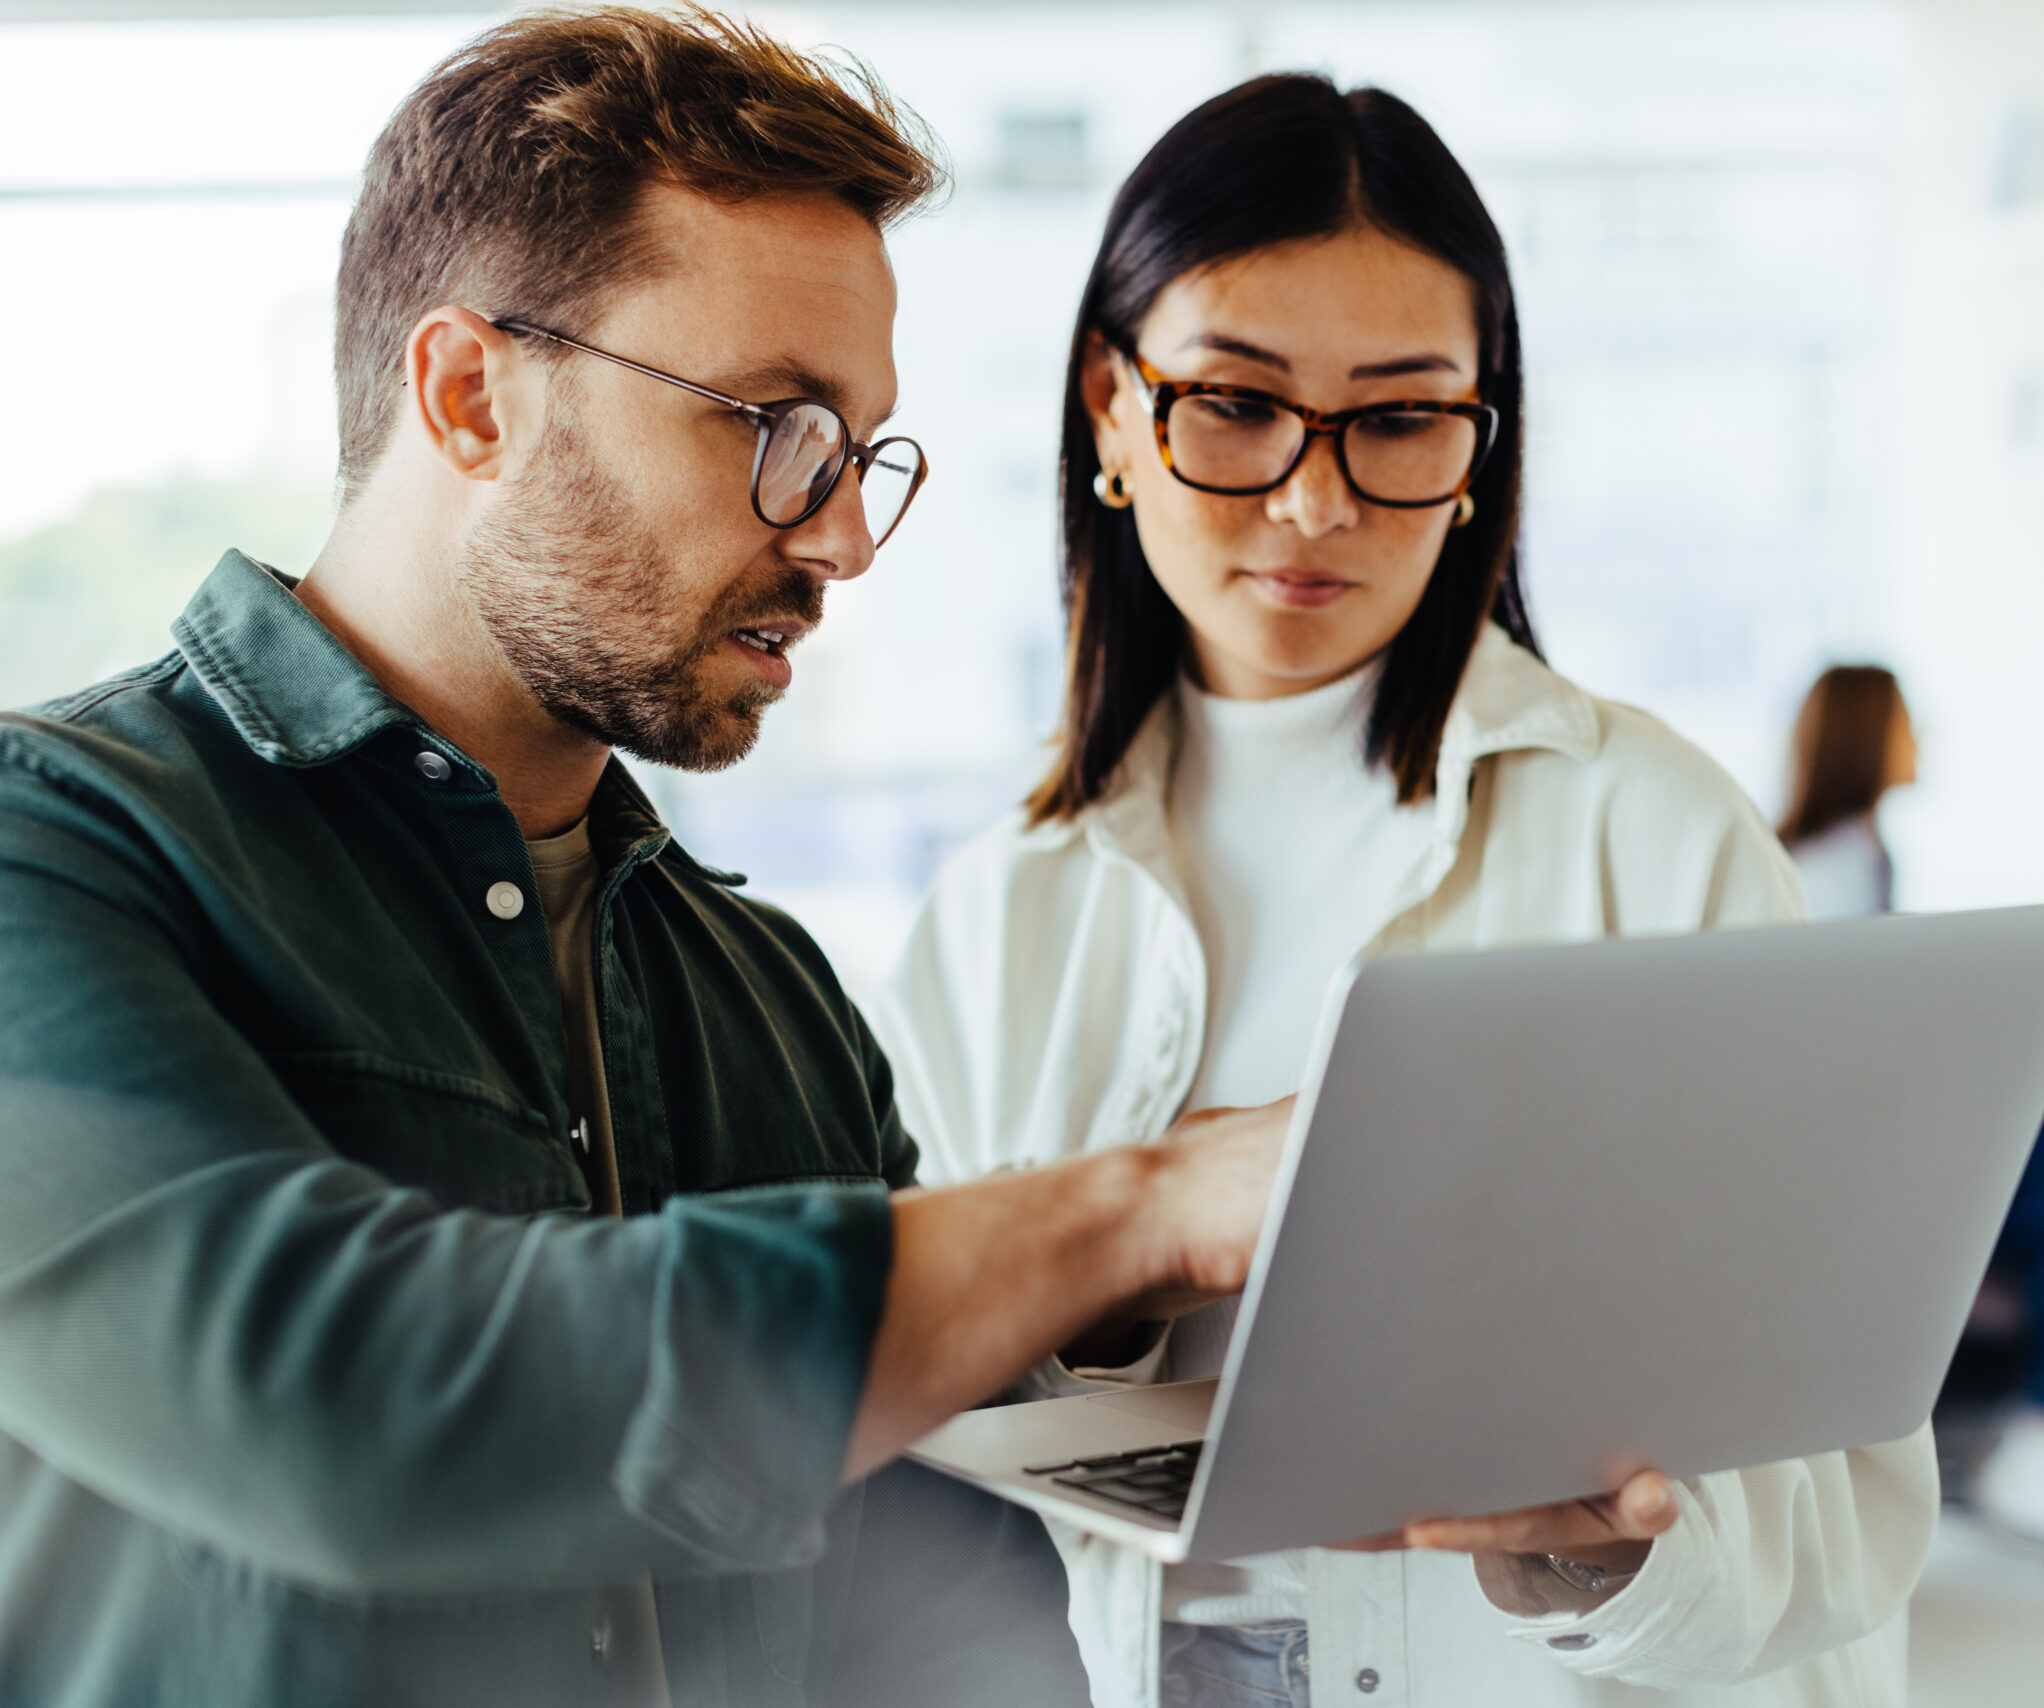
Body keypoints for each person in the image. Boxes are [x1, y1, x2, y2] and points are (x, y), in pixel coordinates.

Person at [0, 11, 1296, 1704]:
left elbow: (943, 1607)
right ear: (471, 394)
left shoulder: (768, 996)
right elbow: (339, 1399)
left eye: (857, 454)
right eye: (772, 422)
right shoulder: (59, 852)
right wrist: (1135, 1207)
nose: (835, 536)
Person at [875, 74, 1937, 1708]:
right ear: (1108, 404)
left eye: (1396, 416)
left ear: (1478, 438)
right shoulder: (994, 915)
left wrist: (1601, 1554)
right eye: (1234, 402)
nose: (1317, 500)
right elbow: (923, 1436)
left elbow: (1848, 1510)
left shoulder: (1649, 831)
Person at [1775, 665, 2044, 1590]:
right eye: (1908, 725)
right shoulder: (1834, 867)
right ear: (1866, 739)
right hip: (1879, 1152)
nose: (1923, 740)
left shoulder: (1851, 849)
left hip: (1906, 1119)